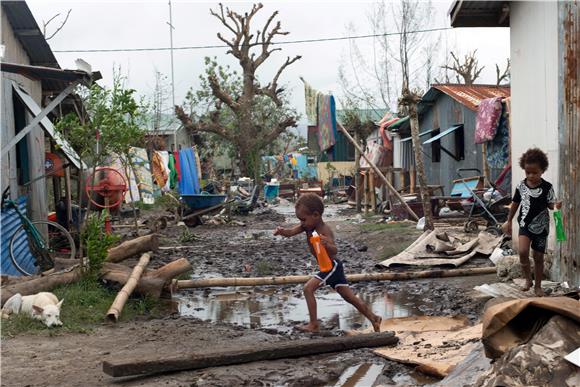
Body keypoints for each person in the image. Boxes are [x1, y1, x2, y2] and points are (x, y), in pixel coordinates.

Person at [273, 193, 382, 332]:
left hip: (331, 266)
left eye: (303, 219)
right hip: (330, 267)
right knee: (350, 298)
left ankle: (314, 324)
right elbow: (290, 232)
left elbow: (334, 250)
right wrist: (282, 232)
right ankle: (374, 318)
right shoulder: (307, 226)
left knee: (308, 289)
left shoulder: (324, 230)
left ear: (316, 215)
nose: (302, 223)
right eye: (300, 220)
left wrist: (326, 244)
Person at [502, 148, 561, 296]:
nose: (531, 175)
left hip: (542, 227)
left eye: (535, 172)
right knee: (522, 252)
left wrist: (556, 206)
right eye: (527, 172)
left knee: (538, 257)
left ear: (542, 170)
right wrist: (509, 221)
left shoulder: (547, 187)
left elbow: (550, 205)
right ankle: (528, 279)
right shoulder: (521, 186)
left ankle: (538, 286)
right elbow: (515, 204)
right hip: (525, 225)